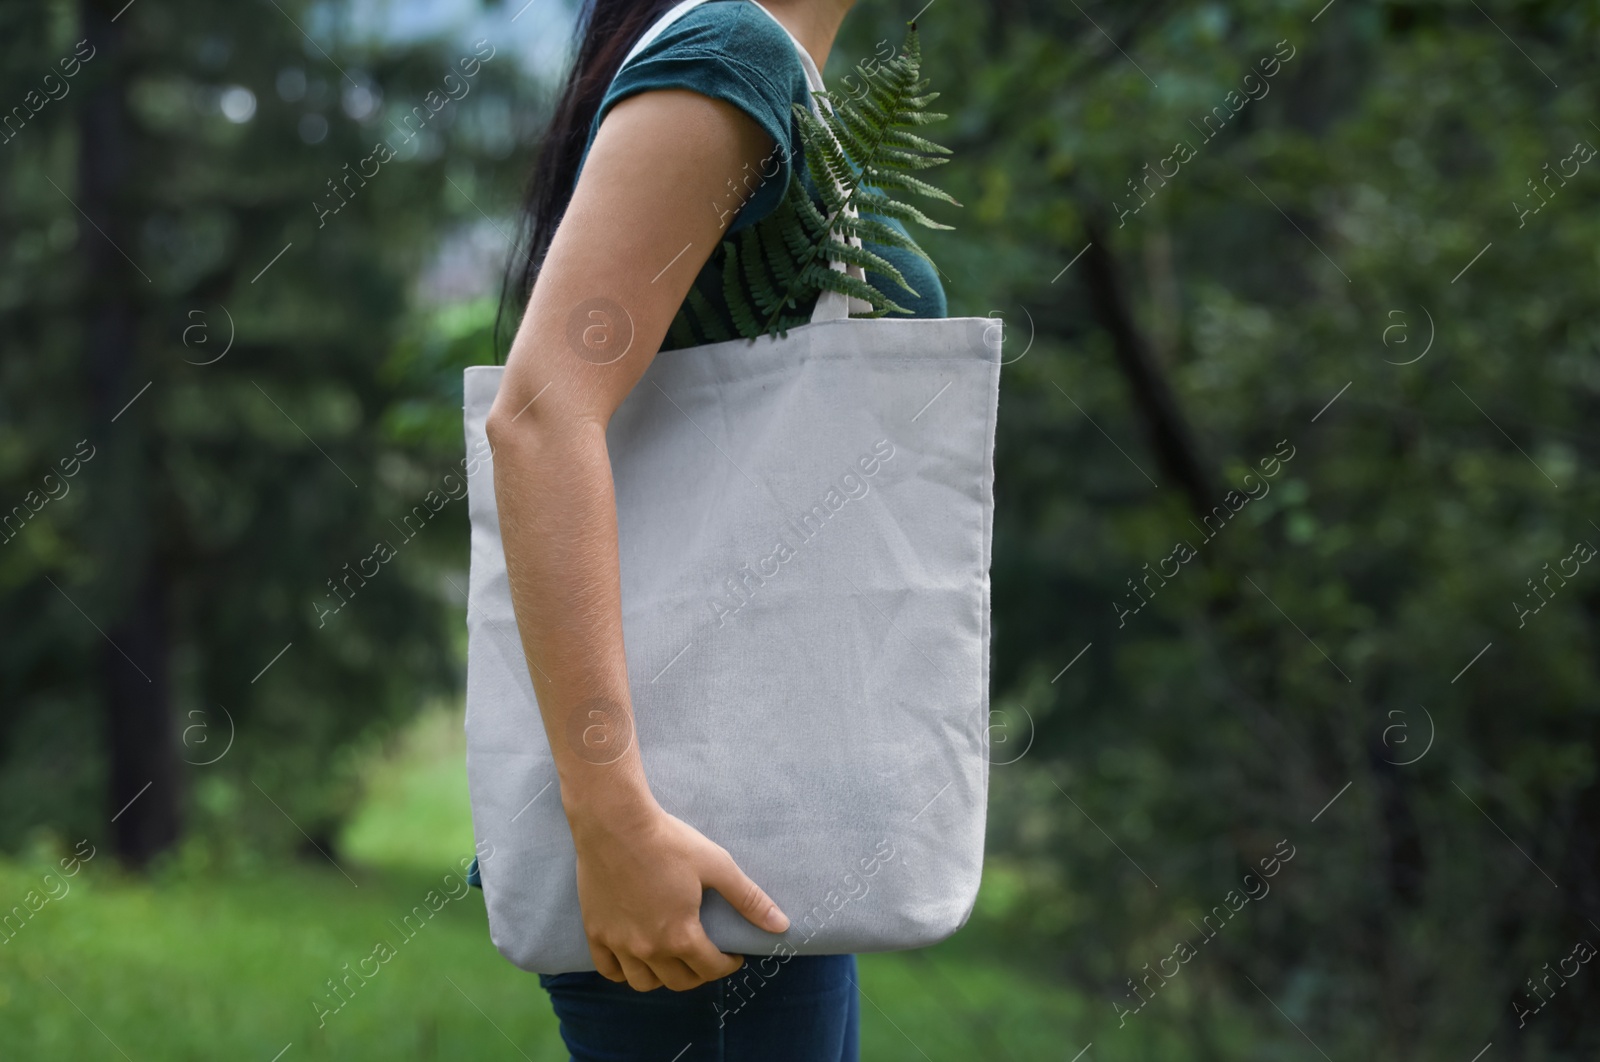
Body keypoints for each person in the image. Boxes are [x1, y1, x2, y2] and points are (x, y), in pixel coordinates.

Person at [484, 0, 946, 1056]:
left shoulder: (773, 77)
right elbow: (540, 417)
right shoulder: (730, 53)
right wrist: (614, 825)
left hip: (749, 830)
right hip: (685, 855)